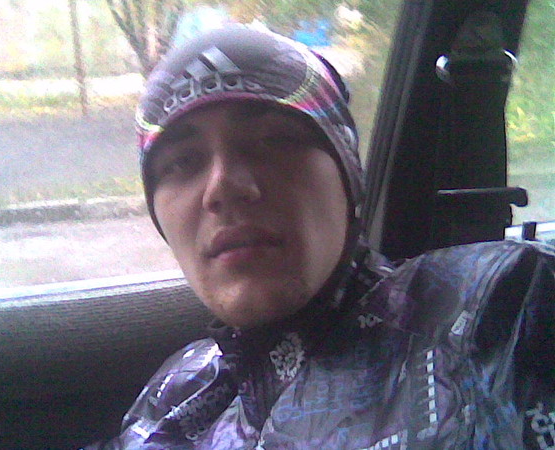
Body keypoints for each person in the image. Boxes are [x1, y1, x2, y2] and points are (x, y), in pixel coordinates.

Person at [88, 25, 554, 449]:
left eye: (274, 141)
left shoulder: (501, 311)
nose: (223, 187)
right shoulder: (178, 390)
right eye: (181, 162)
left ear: (348, 179)